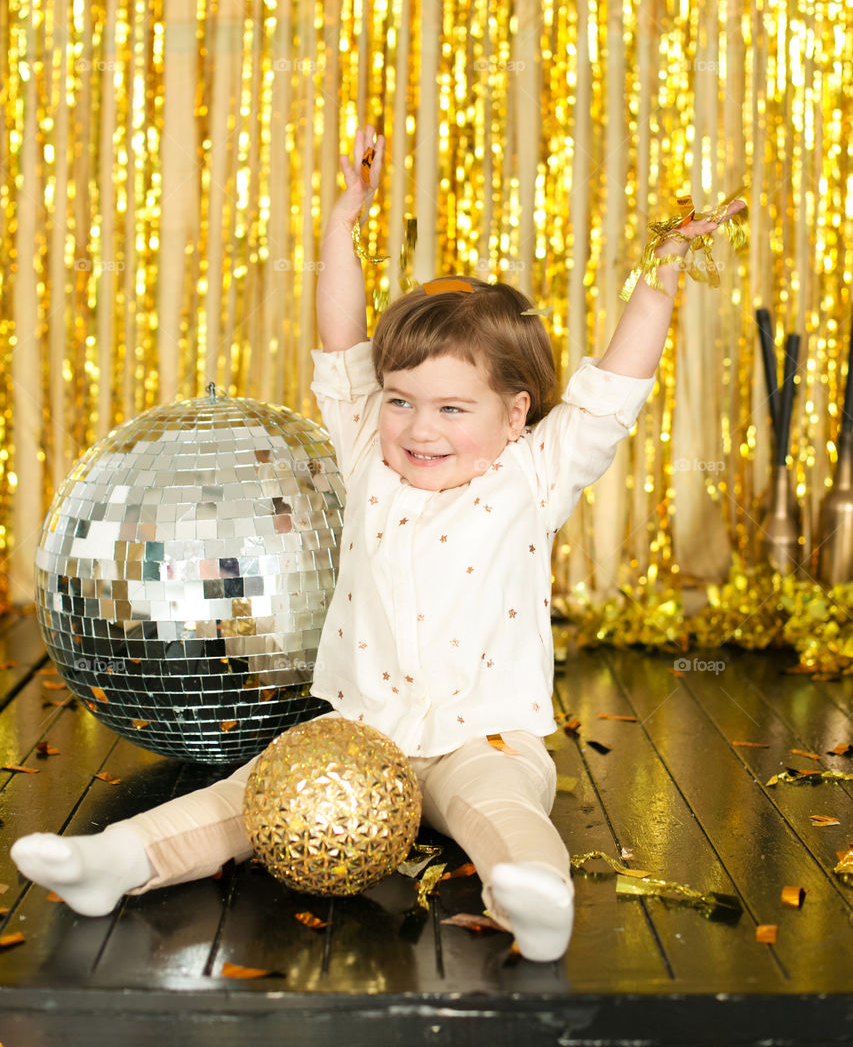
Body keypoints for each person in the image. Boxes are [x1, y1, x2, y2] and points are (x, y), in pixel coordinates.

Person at [11, 124, 745, 961]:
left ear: (513, 415)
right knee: (244, 797)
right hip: (362, 730)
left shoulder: (534, 473)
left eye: (450, 409)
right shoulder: (367, 455)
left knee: (503, 810)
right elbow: (339, 339)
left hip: (484, 737)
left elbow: (616, 387)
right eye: (400, 401)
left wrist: (661, 277)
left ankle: (530, 900)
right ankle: (113, 860)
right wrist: (340, 221)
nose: (418, 428)